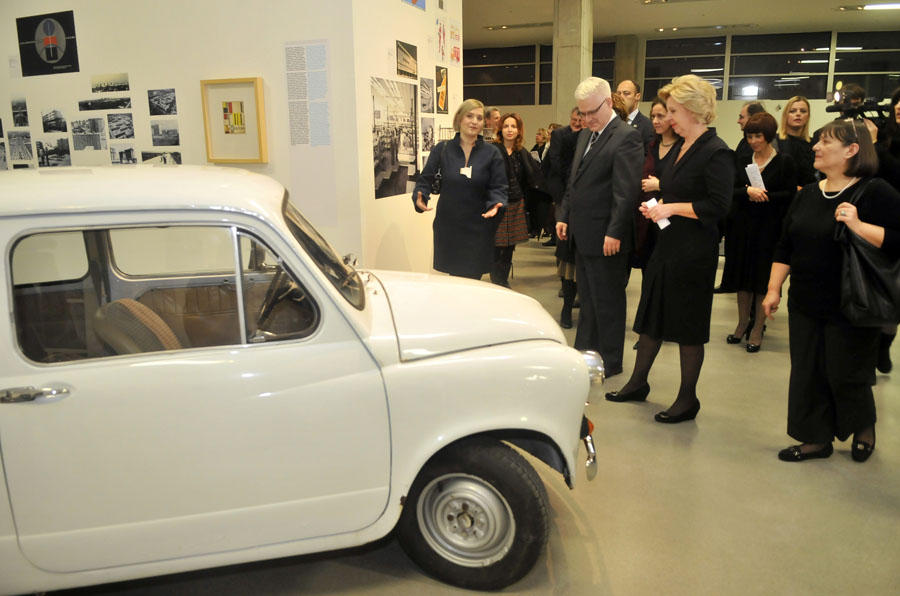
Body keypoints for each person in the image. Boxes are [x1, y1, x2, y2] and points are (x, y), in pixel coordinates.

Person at [763, 118, 900, 463]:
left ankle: (863, 425)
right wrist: (773, 288)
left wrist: (857, 224)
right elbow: (785, 245)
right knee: (807, 371)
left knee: (845, 372)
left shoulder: (876, 191)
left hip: (853, 301)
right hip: (806, 299)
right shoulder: (808, 193)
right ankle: (815, 439)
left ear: (852, 150)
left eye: (826, 142)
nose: (816, 147)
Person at [606, 75, 734, 423]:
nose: (669, 117)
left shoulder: (716, 151)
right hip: (668, 243)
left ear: (694, 110)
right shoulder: (681, 146)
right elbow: (675, 190)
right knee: (652, 315)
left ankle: (687, 398)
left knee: (687, 325)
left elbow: (719, 206)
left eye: (674, 111)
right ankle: (638, 382)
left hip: (694, 251)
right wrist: (659, 204)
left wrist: (670, 208)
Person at [556, 77, 643, 377]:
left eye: (592, 112)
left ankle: (610, 361)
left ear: (608, 103)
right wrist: (564, 215)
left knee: (607, 302)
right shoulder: (586, 134)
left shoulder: (625, 137)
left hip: (607, 236)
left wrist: (615, 232)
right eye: (582, 113)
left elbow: (626, 192)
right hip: (582, 233)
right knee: (588, 299)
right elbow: (574, 181)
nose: (587, 118)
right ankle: (585, 355)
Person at [721, 112, 797, 352]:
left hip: (770, 229)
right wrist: (747, 191)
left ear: (769, 136)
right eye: (750, 135)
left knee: (762, 280)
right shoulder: (743, 158)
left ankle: (757, 328)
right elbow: (730, 188)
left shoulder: (784, 162)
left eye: (758, 136)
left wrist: (765, 196)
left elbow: (791, 196)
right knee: (743, 279)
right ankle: (743, 323)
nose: (754, 140)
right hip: (743, 227)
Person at [413, 99, 507, 279]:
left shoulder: (492, 153)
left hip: (478, 228)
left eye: (479, 118)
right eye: (469, 116)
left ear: (483, 123)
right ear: (459, 119)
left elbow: (499, 186)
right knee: (454, 282)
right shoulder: (443, 149)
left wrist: (497, 204)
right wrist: (420, 195)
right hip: (450, 227)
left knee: (472, 282)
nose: (474, 121)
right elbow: (426, 178)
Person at [491, 112, 542, 286]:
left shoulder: (522, 152)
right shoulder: (493, 150)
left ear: (519, 130)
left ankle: (502, 280)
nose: (510, 130)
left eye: (513, 126)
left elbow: (533, 177)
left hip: (516, 202)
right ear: (500, 129)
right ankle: (496, 279)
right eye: (506, 126)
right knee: (496, 245)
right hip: (497, 203)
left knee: (509, 246)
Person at [634, 97, 680, 270]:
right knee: (648, 266)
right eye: (653, 116)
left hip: (672, 216)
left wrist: (660, 185)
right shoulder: (652, 145)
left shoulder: (682, 147)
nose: (655, 121)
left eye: (660, 116)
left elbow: (685, 183)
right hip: (648, 215)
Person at [872, 86, 900, 373]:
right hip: (875, 219)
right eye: (897, 103)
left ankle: (885, 341)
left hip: (897, 228)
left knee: (894, 291)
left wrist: (877, 146)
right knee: (873, 285)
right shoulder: (885, 135)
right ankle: (871, 344)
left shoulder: (882, 143)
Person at [777, 96, 816, 189]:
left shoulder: (814, 144)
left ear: (808, 116)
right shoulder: (775, 141)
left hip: (807, 195)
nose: (798, 114)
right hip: (782, 196)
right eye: (792, 111)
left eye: (803, 111)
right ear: (785, 115)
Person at [616, 79, 654, 153]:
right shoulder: (612, 122)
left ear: (637, 96)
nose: (621, 97)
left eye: (626, 93)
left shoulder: (647, 126)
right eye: (618, 94)